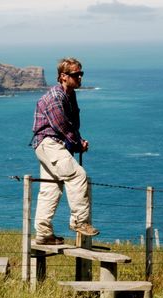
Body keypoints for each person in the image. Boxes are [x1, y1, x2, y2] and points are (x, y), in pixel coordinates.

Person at [31, 57, 99, 245]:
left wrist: (78, 141)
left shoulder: (69, 95)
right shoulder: (55, 97)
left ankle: (43, 234)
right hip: (49, 143)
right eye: (76, 74)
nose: (80, 78)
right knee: (77, 176)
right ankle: (80, 221)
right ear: (63, 76)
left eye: (81, 74)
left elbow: (71, 126)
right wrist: (77, 144)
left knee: (50, 188)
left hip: (50, 144)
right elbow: (62, 126)